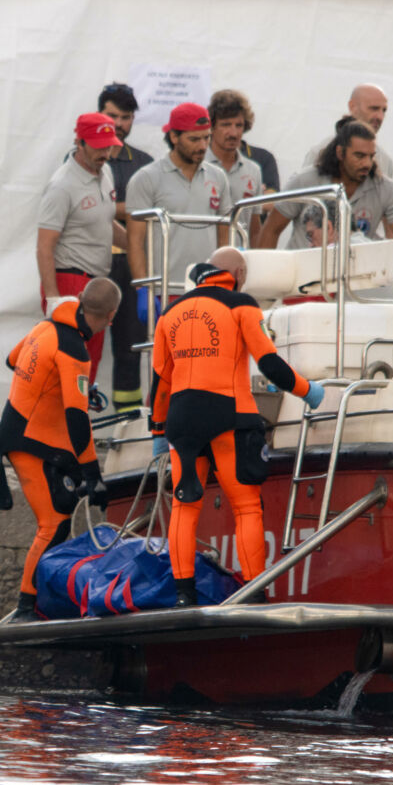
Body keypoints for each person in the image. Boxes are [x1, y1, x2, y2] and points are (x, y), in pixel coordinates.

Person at [149, 248, 322, 606]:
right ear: (239, 273)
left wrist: (156, 433)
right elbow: (270, 365)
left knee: (184, 507)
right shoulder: (241, 303)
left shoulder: (169, 313)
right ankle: (254, 593)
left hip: (181, 421)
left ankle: (184, 595)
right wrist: (310, 392)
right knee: (245, 507)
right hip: (230, 415)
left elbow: (159, 383)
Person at [0, 278, 120, 622]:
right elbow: (77, 419)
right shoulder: (76, 350)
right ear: (110, 317)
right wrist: (94, 475)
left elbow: (12, 360)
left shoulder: (45, 326)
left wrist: (79, 388)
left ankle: (44, 600)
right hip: (29, 440)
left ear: (80, 299)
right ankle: (26, 607)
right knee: (52, 524)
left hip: (27, 433)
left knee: (61, 516)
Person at [32, 112, 125, 385]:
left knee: (87, 365)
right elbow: (44, 246)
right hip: (69, 280)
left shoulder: (104, 172)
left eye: (108, 145)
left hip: (94, 281)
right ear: (79, 142)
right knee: (68, 363)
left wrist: (137, 244)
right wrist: (52, 298)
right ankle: (59, 424)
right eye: (98, 146)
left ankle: (76, 422)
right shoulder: (62, 185)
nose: (104, 152)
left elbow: (104, 221)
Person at [126, 103, 231, 301]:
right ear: (174, 137)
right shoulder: (147, 178)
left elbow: (224, 238)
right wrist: (143, 289)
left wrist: (223, 283)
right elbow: (135, 241)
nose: (202, 146)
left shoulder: (218, 177)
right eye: (194, 139)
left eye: (206, 137)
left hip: (207, 287)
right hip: (165, 288)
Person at [258, 118, 393, 250]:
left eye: (371, 156)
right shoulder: (304, 180)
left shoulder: (385, 188)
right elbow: (271, 230)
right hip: (302, 274)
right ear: (340, 153)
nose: (367, 163)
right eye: (359, 156)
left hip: (357, 275)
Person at [96, 83, 154, 413]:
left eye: (125, 117)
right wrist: (125, 208)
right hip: (93, 264)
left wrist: (113, 207)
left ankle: (125, 426)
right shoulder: (81, 156)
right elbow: (87, 209)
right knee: (82, 346)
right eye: (111, 115)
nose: (118, 123)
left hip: (133, 266)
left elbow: (147, 214)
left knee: (129, 350)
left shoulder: (145, 163)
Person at [302, 84, 393, 178]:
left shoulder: (385, 161)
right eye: (374, 108)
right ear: (352, 106)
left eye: (384, 110)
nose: (380, 117)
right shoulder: (319, 153)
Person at [206, 89, 263, 240]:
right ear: (211, 127)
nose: (233, 133)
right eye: (226, 125)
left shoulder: (253, 170)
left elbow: (255, 229)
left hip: (239, 258)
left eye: (239, 125)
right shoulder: (198, 166)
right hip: (204, 259)